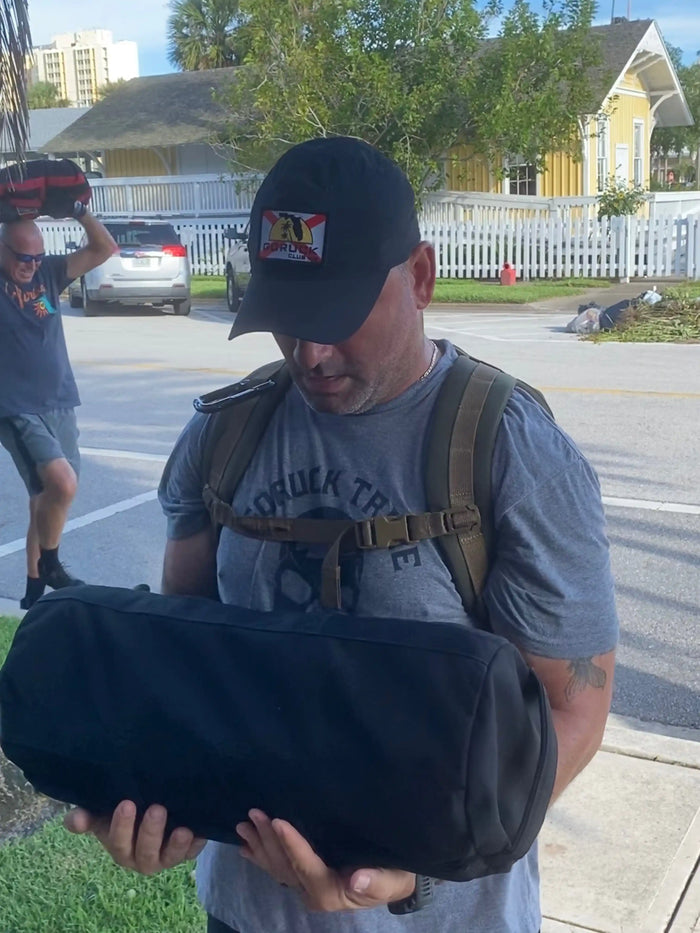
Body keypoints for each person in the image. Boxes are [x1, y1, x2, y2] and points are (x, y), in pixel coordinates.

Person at [65, 137, 618, 933]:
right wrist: (163, 802)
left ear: (421, 278)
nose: (311, 353)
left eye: (337, 315)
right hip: (249, 915)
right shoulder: (224, 437)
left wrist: (417, 868)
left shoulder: (510, 454)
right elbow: (188, 657)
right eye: (288, 317)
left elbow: (575, 713)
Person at [0, 210, 117, 608]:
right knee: (62, 483)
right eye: (21, 258)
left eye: (36, 258)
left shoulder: (49, 272)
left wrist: (81, 213)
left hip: (60, 399)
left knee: (45, 498)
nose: (29, 267)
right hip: (14, 405)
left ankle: (34, 587)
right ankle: (52, 567)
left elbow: (104, 248)